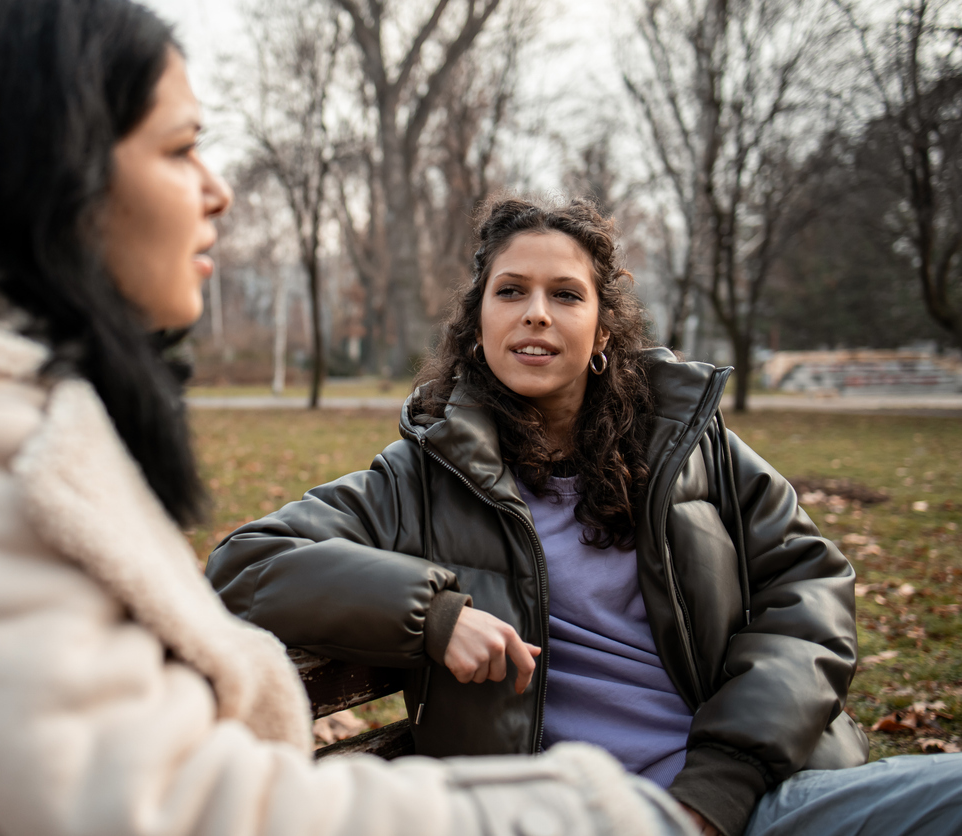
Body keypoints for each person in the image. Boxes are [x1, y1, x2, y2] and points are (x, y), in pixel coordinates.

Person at [0, 3, 699, 835]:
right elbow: (173, 813)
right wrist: (588, 810)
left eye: (566, 297)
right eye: (182, 148)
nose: (218, 191)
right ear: (46, 170)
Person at [206, 196, 962, 836]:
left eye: (565, 294)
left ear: (602, 333)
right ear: (477, 326)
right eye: (511, 292)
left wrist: (719, 788)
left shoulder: (691, 448)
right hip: (578, 817)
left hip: (753, 801)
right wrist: (431, 613)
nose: (536, 313)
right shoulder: (416, 482)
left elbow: (813, 586)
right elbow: (245, 561)